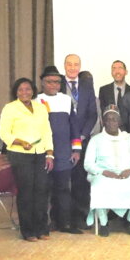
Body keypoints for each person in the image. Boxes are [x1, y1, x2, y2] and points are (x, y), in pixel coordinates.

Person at [84, 105, 130, 237]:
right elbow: (88, 164)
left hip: (125, 174)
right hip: (104, 175)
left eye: (114, 119)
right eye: (108, 119)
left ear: (119, 122)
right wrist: (103, 172)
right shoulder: (96, 140)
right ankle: (104, 223)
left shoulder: (127, 138)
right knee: (98, 188)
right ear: (103, 122)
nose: (111, 122)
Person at [0, 78, 54, 242]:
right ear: (16, 92)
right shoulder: (10, 108)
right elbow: (4, 133)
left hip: (40, 152)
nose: (25, 92)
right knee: (26, 192)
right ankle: (28, 231)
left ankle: (42, 229)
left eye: (28, 89)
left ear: (33, 91)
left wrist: (50, 153)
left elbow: (47, 132)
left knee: (42, 190)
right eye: (21, 90)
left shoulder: (40, 107)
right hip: (20, 154)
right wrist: (20, 142)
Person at [37, 66, 83, 234]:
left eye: (57, 82)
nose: (53, 85)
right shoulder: (36, 100)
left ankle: (64, 223)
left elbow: (74, 125)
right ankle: (44, 224)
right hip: (43, 153)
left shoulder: (66, 100)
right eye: (49, 81)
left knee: (63, 189)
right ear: (42, 82)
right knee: (44, 190)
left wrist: (76, 149)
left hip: (64, 152)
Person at [62, 54, 98, 229]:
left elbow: (92, 114)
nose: (73, 68)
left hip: (82, 141)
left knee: (80, 180)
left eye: (76, 65)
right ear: (64, 66)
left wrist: (82, 135)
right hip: (61, 141)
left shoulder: (86, 86)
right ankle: (61, 217)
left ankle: (81, 216)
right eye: (69, 64)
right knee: (61, 180)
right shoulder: (57, 85)